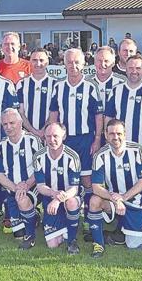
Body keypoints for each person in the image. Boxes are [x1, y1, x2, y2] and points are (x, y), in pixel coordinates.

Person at [89, 119, 142, 256]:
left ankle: (123, 230)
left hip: (136, 200)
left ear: (125, 134)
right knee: (94, 201)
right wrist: (116, 199)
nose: (115, 137)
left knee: (134, 246)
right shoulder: (100, 155)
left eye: (119, 133)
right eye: (111, 133)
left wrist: (123, 198)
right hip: (114, 199)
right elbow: (96, 187)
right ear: (106, 135)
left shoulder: (136, 150)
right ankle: (98, 243)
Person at [49, 48, 104, 207]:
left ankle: (88, 212)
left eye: (77, 62)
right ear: (64, 64)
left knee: (87, 179)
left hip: (85, 139)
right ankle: (68, 211)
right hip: (65, 140)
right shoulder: (59, 86)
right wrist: (52, 138)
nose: (73, 65)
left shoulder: (90, 86)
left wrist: (97, 139)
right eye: (69, 62)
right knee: (65, 177)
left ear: (84, 64)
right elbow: (54, 113)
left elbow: (98, 115)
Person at [0, 108, 44, 246]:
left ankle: (31, 234)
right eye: (5, 124)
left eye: (12, 123)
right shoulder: (0, 146)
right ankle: (34, 215)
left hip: (33, 187)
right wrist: (16, 188)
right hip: (13, 191)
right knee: (18, 236)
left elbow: (40, 169)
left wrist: (26, 184)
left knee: (23, 200)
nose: (8, 127)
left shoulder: (34, 141)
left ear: (20, 122)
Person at [33, 122, 83, 253]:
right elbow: (40, 186)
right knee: (52, 245)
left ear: (63, 136)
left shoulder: (72, 156)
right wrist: (53, 194)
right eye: (48, 136)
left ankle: (72, 240)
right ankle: (65, 226)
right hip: (50, 199)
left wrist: (58, 199)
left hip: (68, 196)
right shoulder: (39, 156)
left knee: (71, 202)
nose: (52, 140)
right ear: (44, 137)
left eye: (55, 136)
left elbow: (74, 189)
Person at [105, 55, 142, 155]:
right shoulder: (116, 90)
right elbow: (108, 118)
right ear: (126, 70)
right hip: (119, 149)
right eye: (131, 68)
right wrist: (108, 141)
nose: (134, 71)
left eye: (138, 68)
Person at [17, 48, 57, 138]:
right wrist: (34, 131)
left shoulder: (56, 84)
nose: (38, 64)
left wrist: (44, 131)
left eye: (41, 60)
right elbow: (21, 112)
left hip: (49, 135)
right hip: (27, 135)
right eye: (34, 60)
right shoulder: (21, 84)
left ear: (47, 62)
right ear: (30, 62)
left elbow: (54, 112)